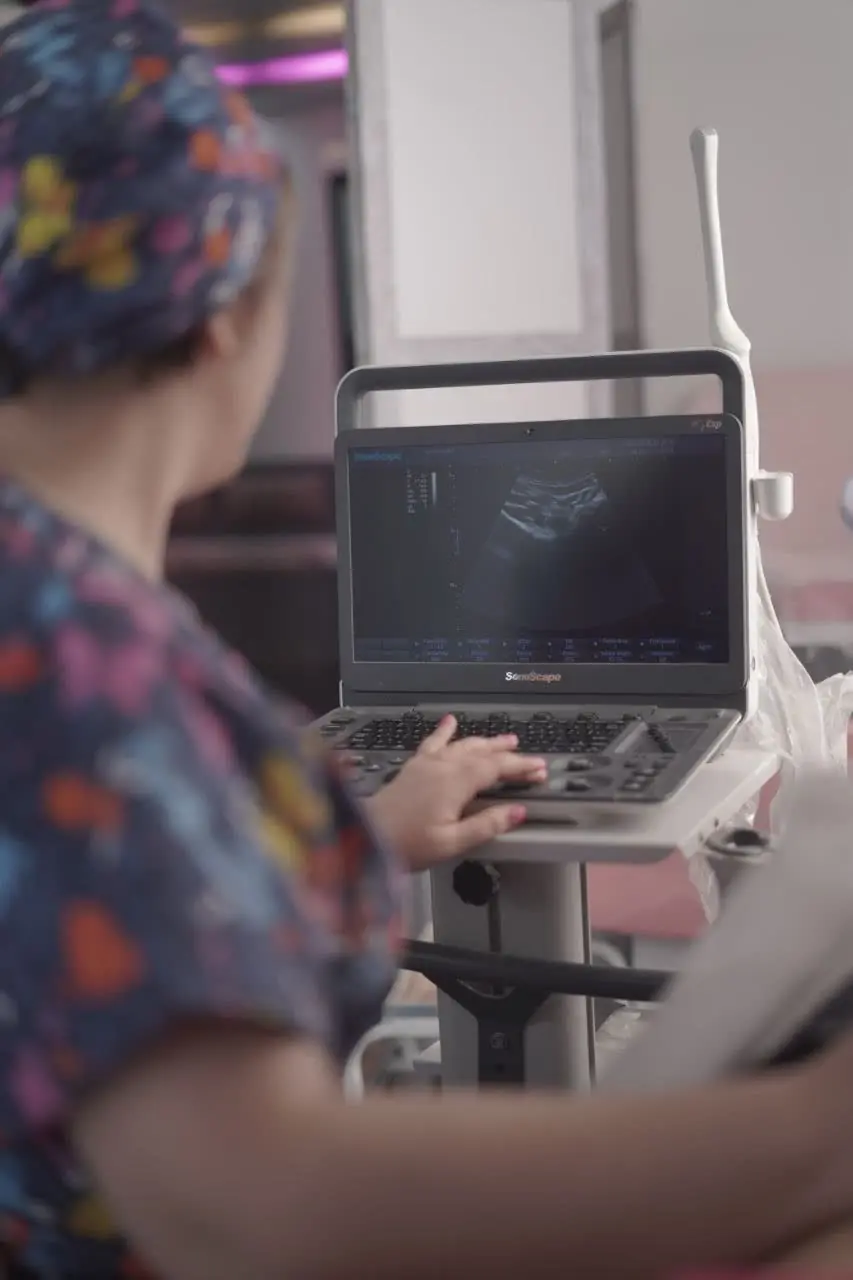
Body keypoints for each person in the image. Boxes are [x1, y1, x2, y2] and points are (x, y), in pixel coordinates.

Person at [0, 4, 852, 1279]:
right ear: (222, 318)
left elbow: (87, 920)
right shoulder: (91, 671)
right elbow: (254, 1210)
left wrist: (349, 838)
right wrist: (815, 1129)